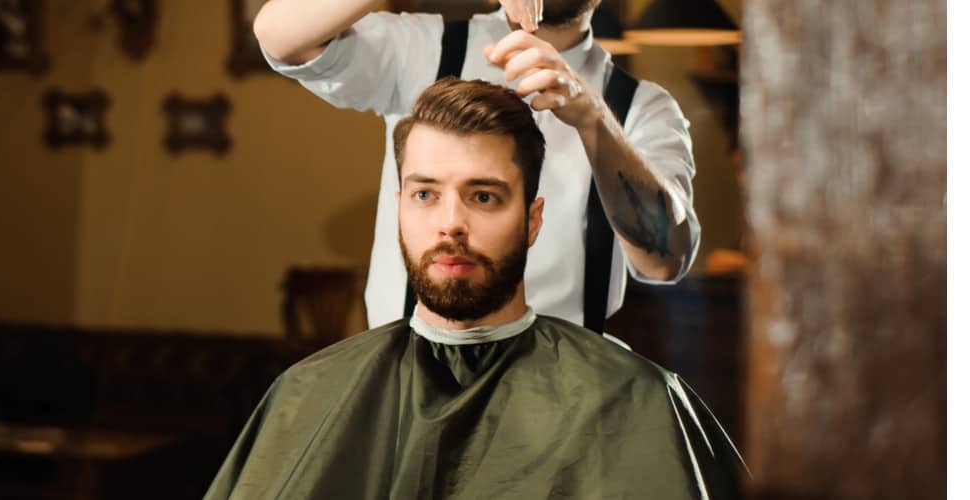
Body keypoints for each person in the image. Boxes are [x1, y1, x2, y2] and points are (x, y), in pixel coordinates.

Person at [203, 79, 744, 500]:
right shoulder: (305, 396)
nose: (451, 223)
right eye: (425, 195)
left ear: (533, 221)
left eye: (483, 197)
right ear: (399, 209)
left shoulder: (632, 400)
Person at [254, 0, 701, 333]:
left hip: (564, 404)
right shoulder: (422, 48)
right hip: (409, 391)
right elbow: (279, 35)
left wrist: (592, 118)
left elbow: (665, 261)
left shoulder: (643, 108)